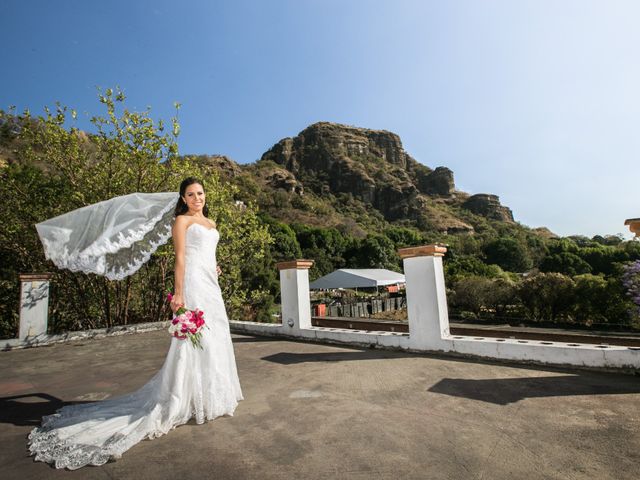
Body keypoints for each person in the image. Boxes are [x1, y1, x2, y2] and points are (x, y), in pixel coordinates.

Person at [28, 177, 244, 470]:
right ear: (183, 198)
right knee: (197, 339)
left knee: (215, 336)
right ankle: (186, 398)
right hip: (193, 283)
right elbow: (180, 258)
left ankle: (210, 396)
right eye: (191, 194)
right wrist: (179, 293)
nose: (197, 198)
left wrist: (214, 266)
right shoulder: (180, 221)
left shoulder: (213, 223)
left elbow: (207, 254)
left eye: (201, 193)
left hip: (210, 283)